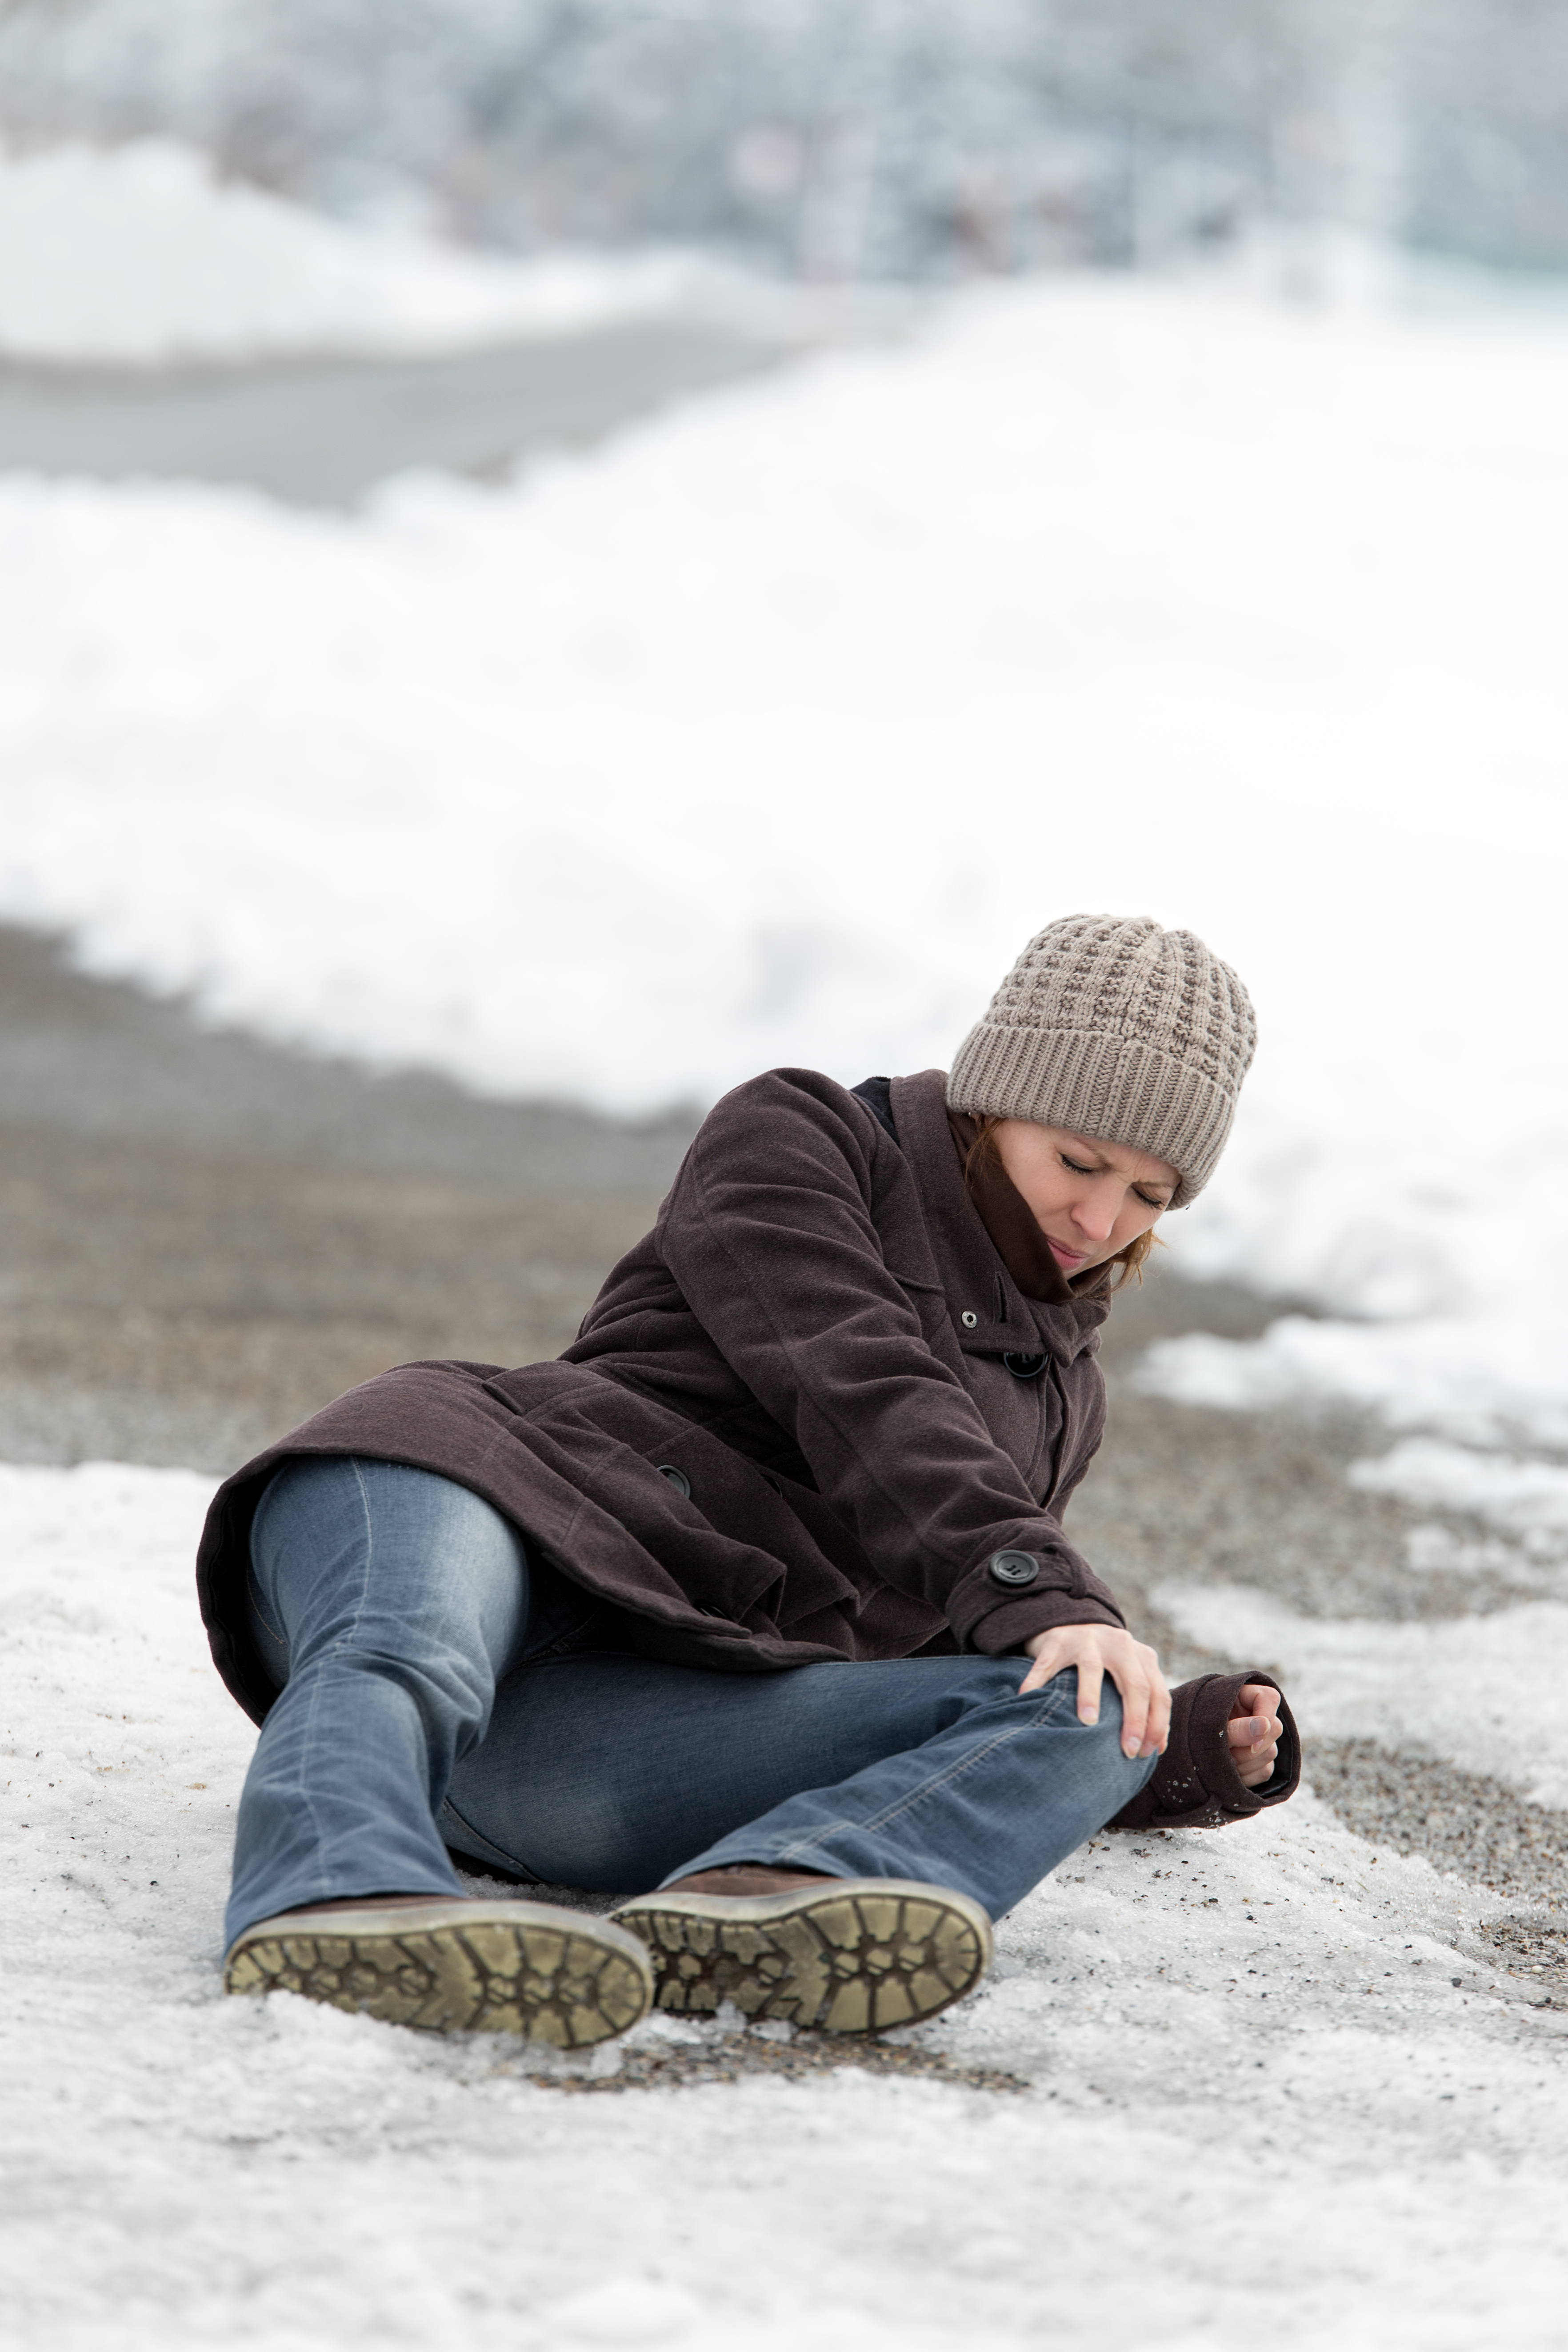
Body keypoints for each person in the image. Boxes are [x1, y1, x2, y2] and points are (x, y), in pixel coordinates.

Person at [199, 913, 1299, 2049]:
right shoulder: (803, 1137)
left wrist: (1171, 1738)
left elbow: (930, 1638)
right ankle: (331, 1895)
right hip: (483, 1494)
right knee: (413, 1642)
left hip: (600, 1744)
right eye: (1078, 1161)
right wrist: (1039, 1583)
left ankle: (773, 1902)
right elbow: (858, 1380)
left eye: (1151, 1195)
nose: (1102, 1219)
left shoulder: (1060, 1392)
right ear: (994, 1101)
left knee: (1093, 1705)